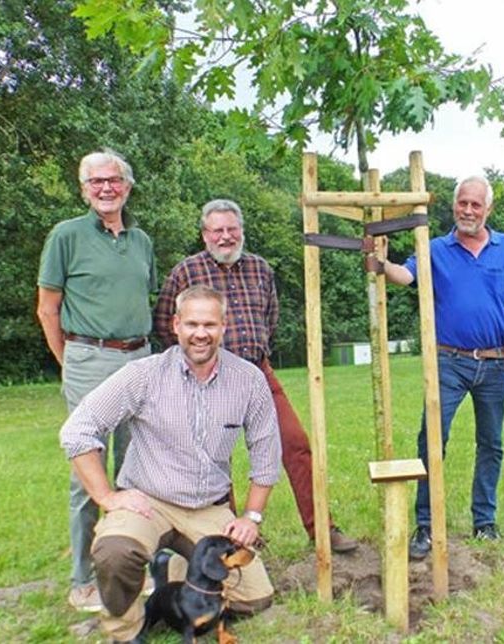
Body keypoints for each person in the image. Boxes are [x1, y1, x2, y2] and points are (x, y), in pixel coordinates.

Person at [60, 285, 281, 643]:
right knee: (115, 552)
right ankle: (126, 630)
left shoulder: (248, 380)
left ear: (224, 326)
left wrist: (251, 517)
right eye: (191, 323)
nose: (200, 334)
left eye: (210, 324)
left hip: (208, 507)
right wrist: (107, 497)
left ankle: (174, 572)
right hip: (148, 502)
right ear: (176, 325)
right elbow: (78, 430)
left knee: (253, 598)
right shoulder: (142, 375)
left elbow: (267, 454)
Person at [153, 199, 359, 553]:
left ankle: (322, 528)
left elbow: (271, 318)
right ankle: (233, 537)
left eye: (232, 229)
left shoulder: (260, 269)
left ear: (241, 231)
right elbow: (164, 324)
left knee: (295, 444)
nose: (225, 236)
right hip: (208, 376)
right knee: (216, 456)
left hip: (258, 372)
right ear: (205, 234)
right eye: (217, 230)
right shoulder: (185, 272)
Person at [371, 176, 504, 559]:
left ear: (488, 209)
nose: (468, 211)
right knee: (432, 440)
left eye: (476, 205)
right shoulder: (434, 248)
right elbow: (406, 277)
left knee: (491, 442)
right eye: (462, 204)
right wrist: (379, 262)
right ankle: (426, 525)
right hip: (448, 361)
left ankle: (484, 520)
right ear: (453, 206)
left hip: (496, 362)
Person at [37, 149, 156, 612]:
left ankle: (130, 566)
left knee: (139, 466)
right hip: (89, 356)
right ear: (83, 189)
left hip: (139, 357)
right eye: (95, 182)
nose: (106, 188)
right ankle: (83, 579)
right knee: (87, 469)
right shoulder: (65, 236)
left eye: (114, 181)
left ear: (127, 187)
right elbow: (47, 308)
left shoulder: (142, 240)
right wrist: (69, 361)